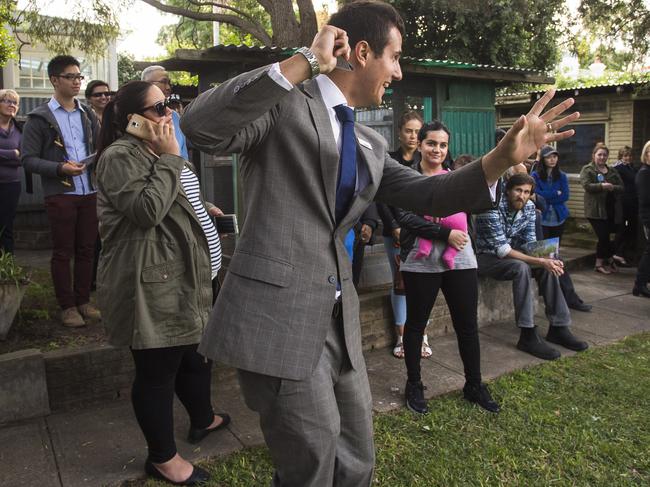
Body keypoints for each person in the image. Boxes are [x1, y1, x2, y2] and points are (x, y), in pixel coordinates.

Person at [180, 2, 579, 484]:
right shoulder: (284, 103)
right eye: (394, 57)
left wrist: (500, 159)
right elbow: (201, 125)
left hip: (338, 320)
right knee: (311, 460)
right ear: (362, 52)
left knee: (357, 457)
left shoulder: (367, 141)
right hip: (279, 319)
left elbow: (430, 193)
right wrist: (302, 61)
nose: (399, 71)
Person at [94, 80, 230, 486]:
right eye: (158, 108)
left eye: (170, 103)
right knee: (157, 372)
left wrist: (201, 207)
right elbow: (146, 209)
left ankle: (202, 419)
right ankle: (162, 458)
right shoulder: (120, 155)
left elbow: (173, 198)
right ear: (132, 119)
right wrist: (172, 160)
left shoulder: (159, 150)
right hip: (155, 285)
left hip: (190, 277)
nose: (168, 113)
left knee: (194, 355)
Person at [396, 120, 499, 415]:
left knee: (467, 326)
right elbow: (405, 218)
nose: (437, 149)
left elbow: (479, 204)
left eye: (442, 144)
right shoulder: (406, 179)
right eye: (431, 143)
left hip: (461, 261)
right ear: (420, 144)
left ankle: (474, 385)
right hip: (420, 262)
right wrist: (444, 233)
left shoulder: (456, 179)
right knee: (415, 325)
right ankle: (414, 384)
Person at [21, 55, 101, 328]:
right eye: (71, 77)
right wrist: (59, 168)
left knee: (87, 248)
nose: (77, 81)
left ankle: (83, 301)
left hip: (89, 190)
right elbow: (28, 159)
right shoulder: (39, 118)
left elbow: (100, 146)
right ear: (54, 80)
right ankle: (67, 306)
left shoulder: (87, 114)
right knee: (63, 251)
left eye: (80, 76)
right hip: (60, 193)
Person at [475, 173, 589, 360]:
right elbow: (502, 250)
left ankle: (559, 327)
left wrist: (549, 258)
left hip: (512, 253)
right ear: (508, 190)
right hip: (485, 257)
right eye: (518, 190)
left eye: (527, 192)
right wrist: (540, 260)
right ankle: (527, 333)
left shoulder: (528, 207)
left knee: (548, 263)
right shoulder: (491, 208)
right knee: (522, 267)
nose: (522, 196)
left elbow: (530, 242)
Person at [376, 110, 423, 358]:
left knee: (422, 281)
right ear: (399, 132)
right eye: (409, 130)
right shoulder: (388, 159)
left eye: (417, 131)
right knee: (400, 282)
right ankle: (402, 337)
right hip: (394, 231)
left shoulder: (425, 160)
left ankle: (421, 335)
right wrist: (394, 225)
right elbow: (381, 196)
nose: (413, 136)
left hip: (421, 233)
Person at [579, 143, 625, 274]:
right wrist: (602, 186)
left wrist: (612, 187)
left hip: (610, 209)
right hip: (595, 210)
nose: (602, 157)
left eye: (605, 155)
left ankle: (608, 259)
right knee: (603, 236)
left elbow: (621, 187)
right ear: (594, 155)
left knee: (609, 237)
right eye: (599, 154)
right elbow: (587, 185)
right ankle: (600, 263)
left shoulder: (612, 171)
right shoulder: (587, 169)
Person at [141, 66, 189, 160]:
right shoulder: (137, 117)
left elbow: (183, 155)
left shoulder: (175, 116)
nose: (168, 87)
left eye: (169, 83)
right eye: (163, 82)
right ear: (145, 84)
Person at [0, 89, 22, 254]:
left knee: (7, 225)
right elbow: (17, 154)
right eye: (7, 101)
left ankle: (9, 266)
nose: (11, 105)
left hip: (11, 184)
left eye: (14, 102)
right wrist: (12, 154)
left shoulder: (19, 129)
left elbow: (24, 156)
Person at [531, 145, 570, 239]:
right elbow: (534, 194)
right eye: (549, 157)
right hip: (542, 218)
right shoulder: (535, 176)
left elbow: (565, 196)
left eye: (554, 157)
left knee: (555, 248)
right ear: (543, 159)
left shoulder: (562, 176)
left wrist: (544, 197)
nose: (552, 160)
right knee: (543, 248)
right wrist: (555, 193)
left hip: (558, 217)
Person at [612, 145, 637, 266]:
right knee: (622, 228)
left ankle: (624, 253)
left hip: (632, 203)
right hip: (623, 203)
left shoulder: (630, 167)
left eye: (629, 156)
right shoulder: (618, 168)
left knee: (631, 229)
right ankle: (617, 253)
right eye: (625, 156)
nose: (628, 158)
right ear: (621, 156)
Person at [633, 140, 650, 298]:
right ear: (646, 154)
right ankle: (639, 284)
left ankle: (641, 283)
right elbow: (645, 199)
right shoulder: (644, 173)